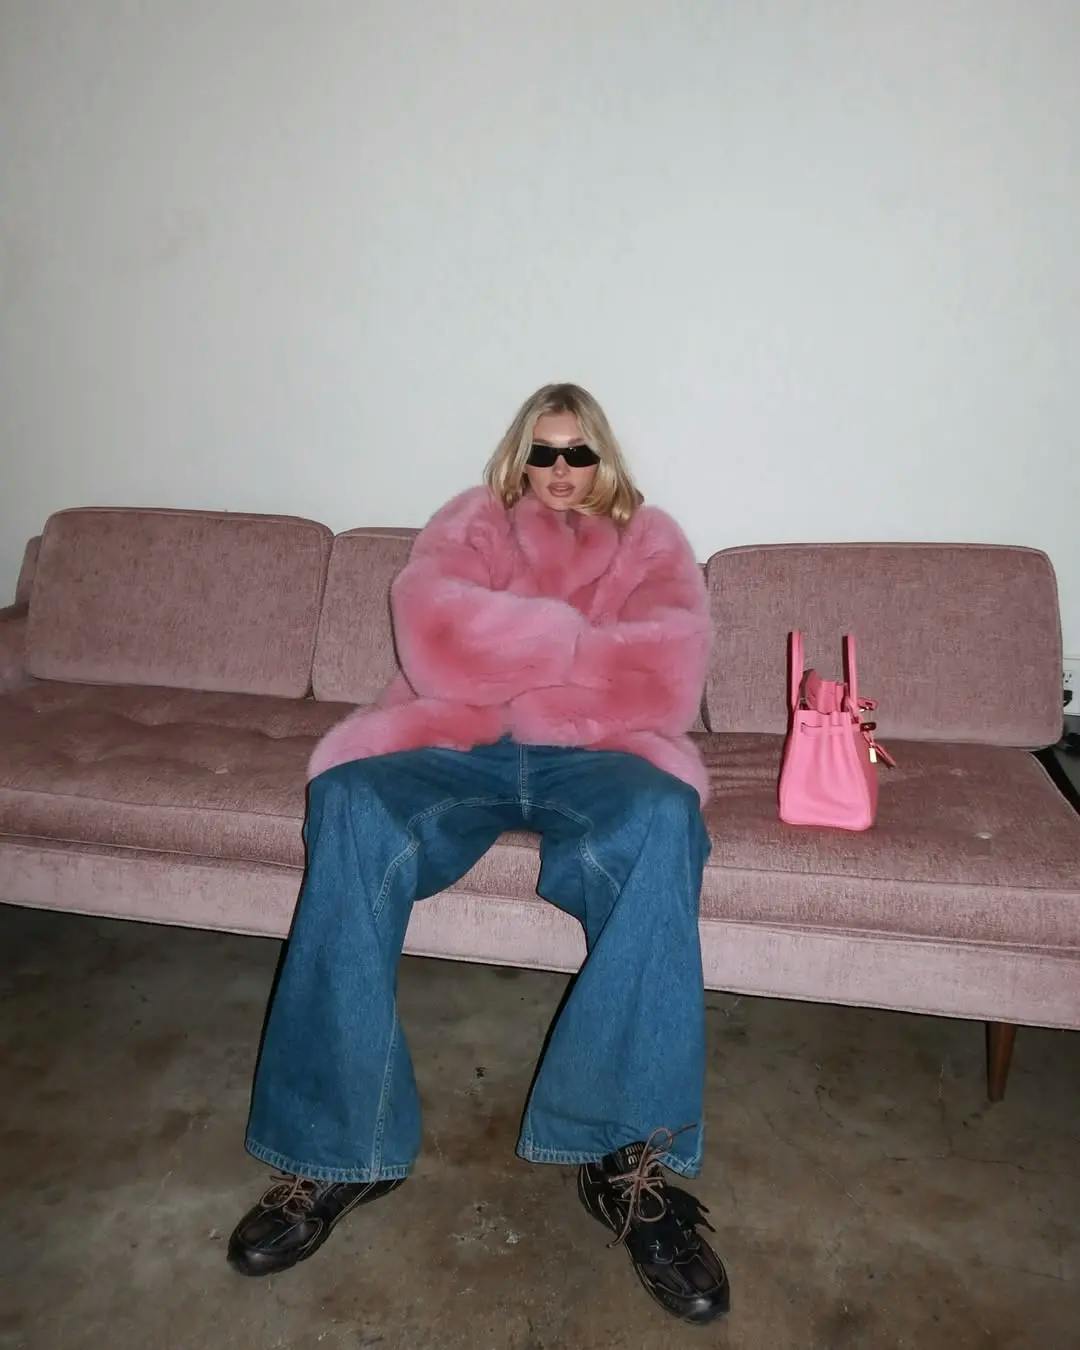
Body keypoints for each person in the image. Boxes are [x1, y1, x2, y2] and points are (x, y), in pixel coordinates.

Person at [226, 383, 729, 1325]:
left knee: (666, 820)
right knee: (349, 801)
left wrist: (518, 651)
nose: (561, 471)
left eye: (579, 453)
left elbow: (663, 677)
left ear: (604, 457)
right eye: (543, 452)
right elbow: (436, 643)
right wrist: (580, 647)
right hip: (458, 741)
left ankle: (625, 1159)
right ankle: (338, 1149)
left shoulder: (651, 540)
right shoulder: (474, 521)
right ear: (519, 456)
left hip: (600, 754)